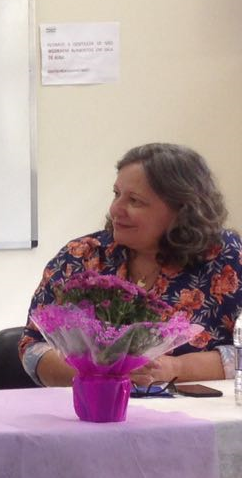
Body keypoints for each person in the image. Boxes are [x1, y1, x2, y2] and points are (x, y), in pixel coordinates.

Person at [20, 143, 242, 387]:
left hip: (196, 417)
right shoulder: (81, 256)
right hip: (89, 413)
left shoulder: (227, 258)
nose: (116, 209)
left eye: (135, 201)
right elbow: (32, 347)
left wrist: (175, 368)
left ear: (182, 211)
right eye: (117, 194)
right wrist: (97, 374)